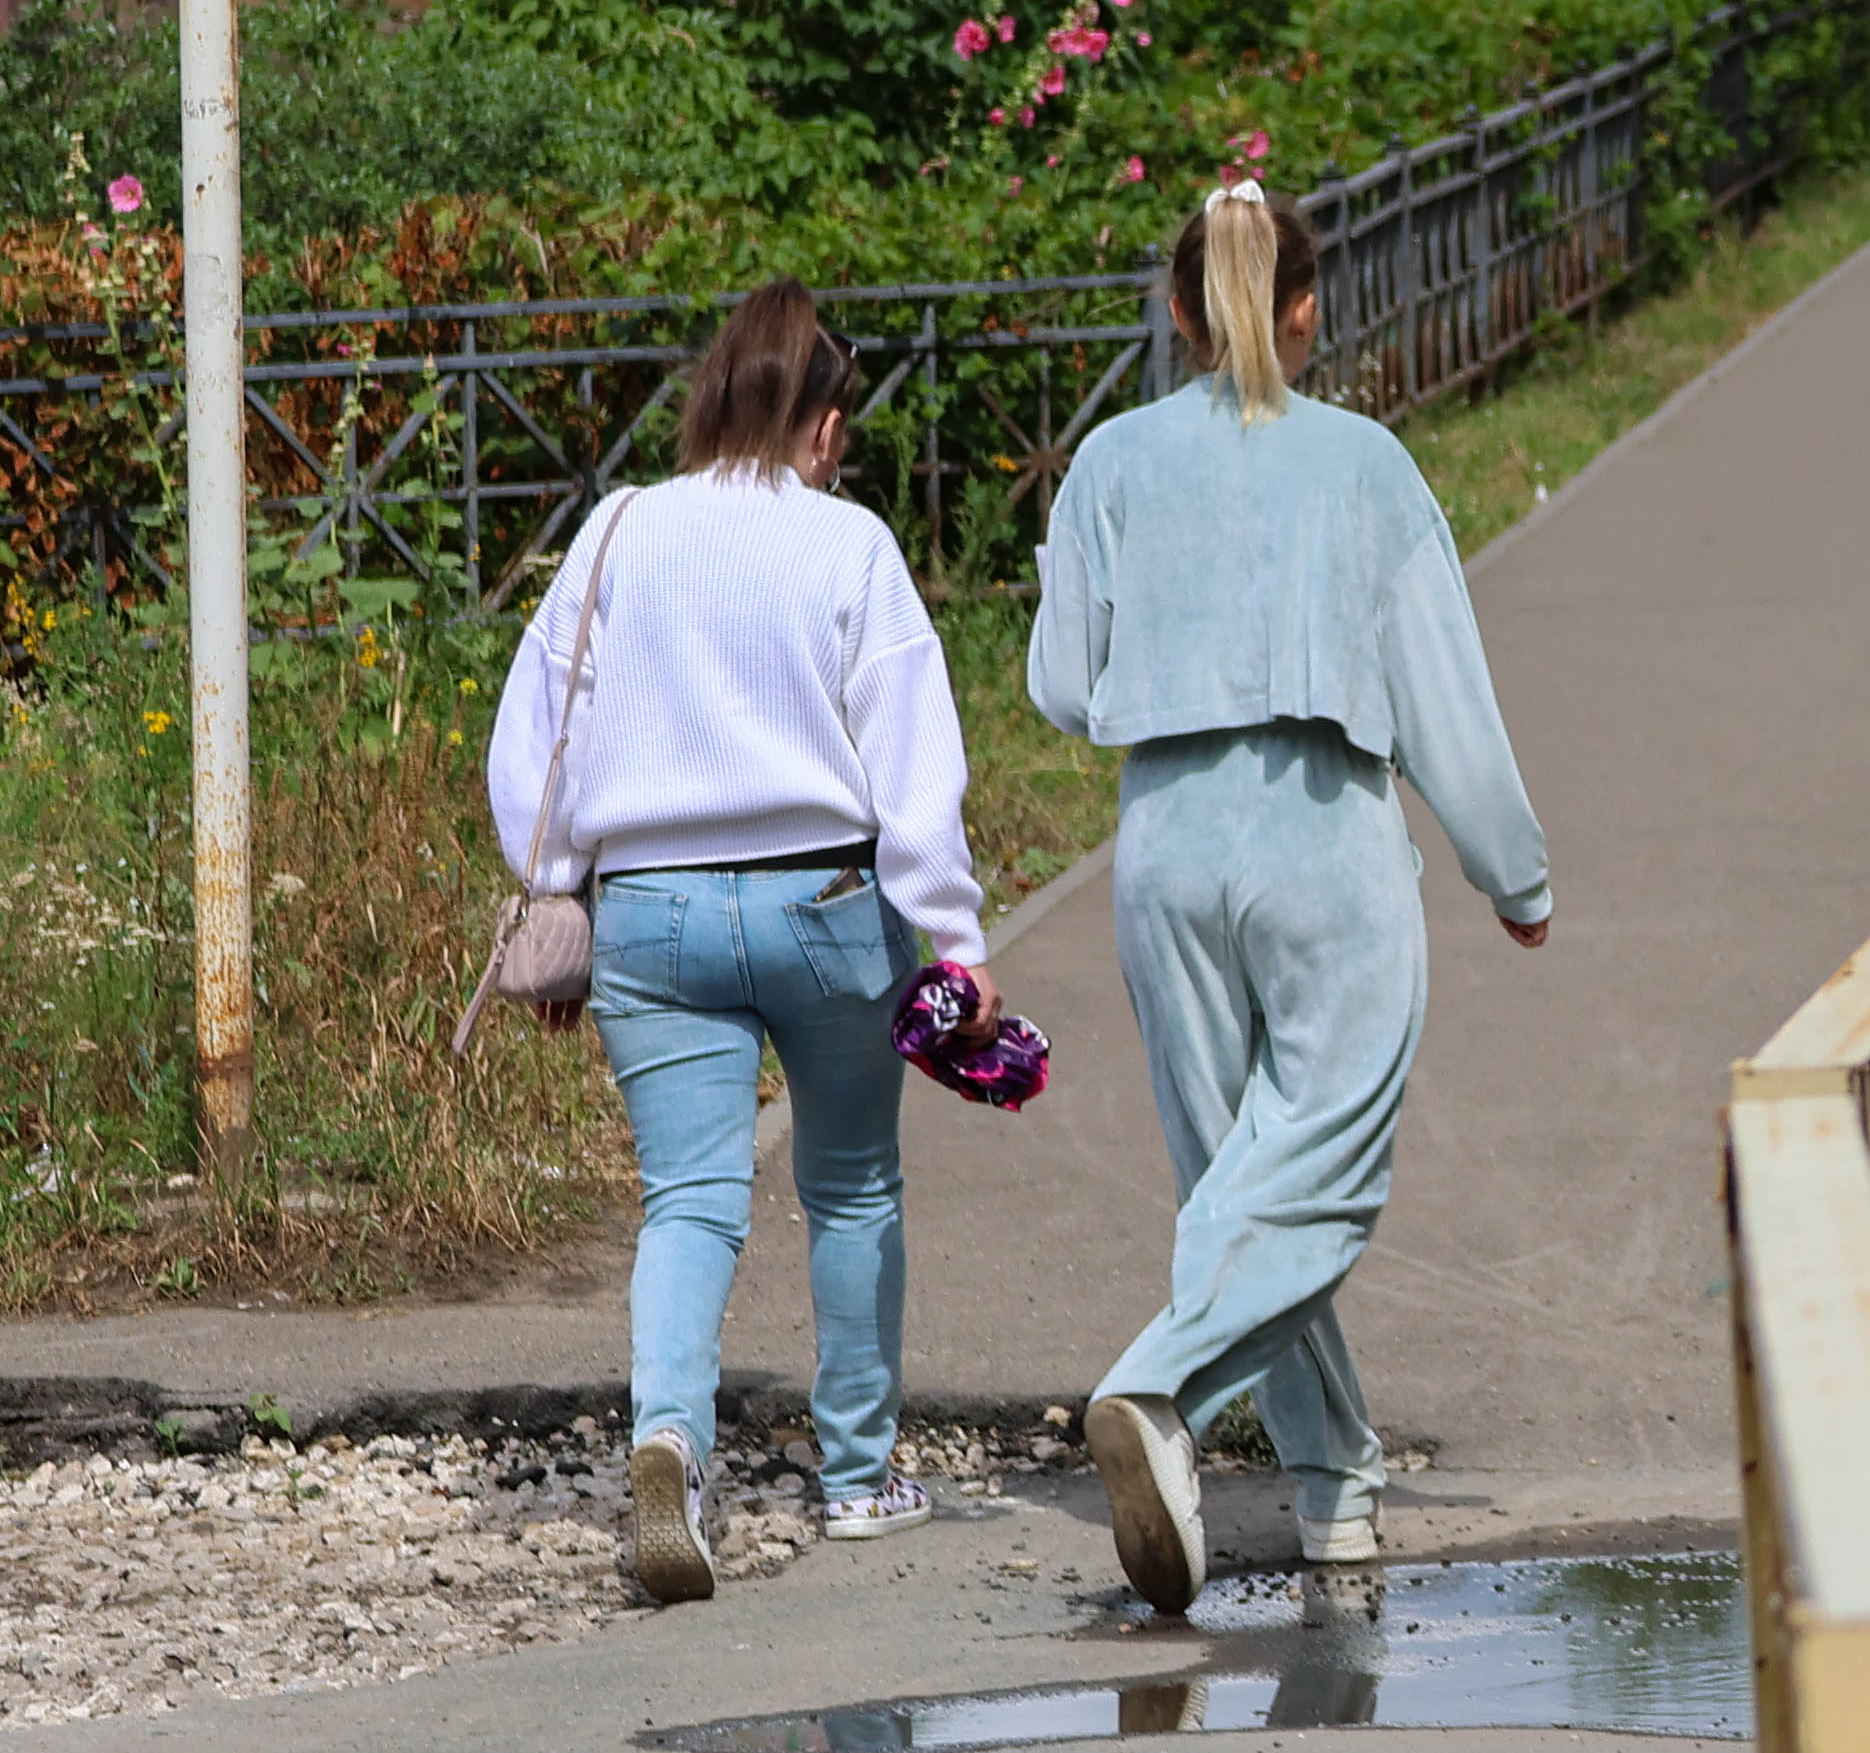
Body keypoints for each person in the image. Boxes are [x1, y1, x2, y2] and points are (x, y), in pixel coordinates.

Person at [1034, 166, 1557, 1599]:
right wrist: (1511, 870)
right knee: (1317, 1174)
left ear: (1178, 314)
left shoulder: (1113, 463)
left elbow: (1062, 687)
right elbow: (1443, 689)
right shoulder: (1364, 465)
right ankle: (1159, 1391)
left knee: (1237, 1182)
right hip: (1325, 827)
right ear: (1307, 306)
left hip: (1167, 837)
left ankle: (1334, 1485)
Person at [484, 286, 988, 1606]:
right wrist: (955, 932)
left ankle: (670, 1448)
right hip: (827, 907)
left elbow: (535, 730)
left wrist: (555, 890)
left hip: (650, 914)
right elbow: (913, 760)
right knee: (853, 1186)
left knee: (692, 1199)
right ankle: (862, 1477)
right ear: (822, 424)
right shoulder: (852, 546)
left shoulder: (617, 531)